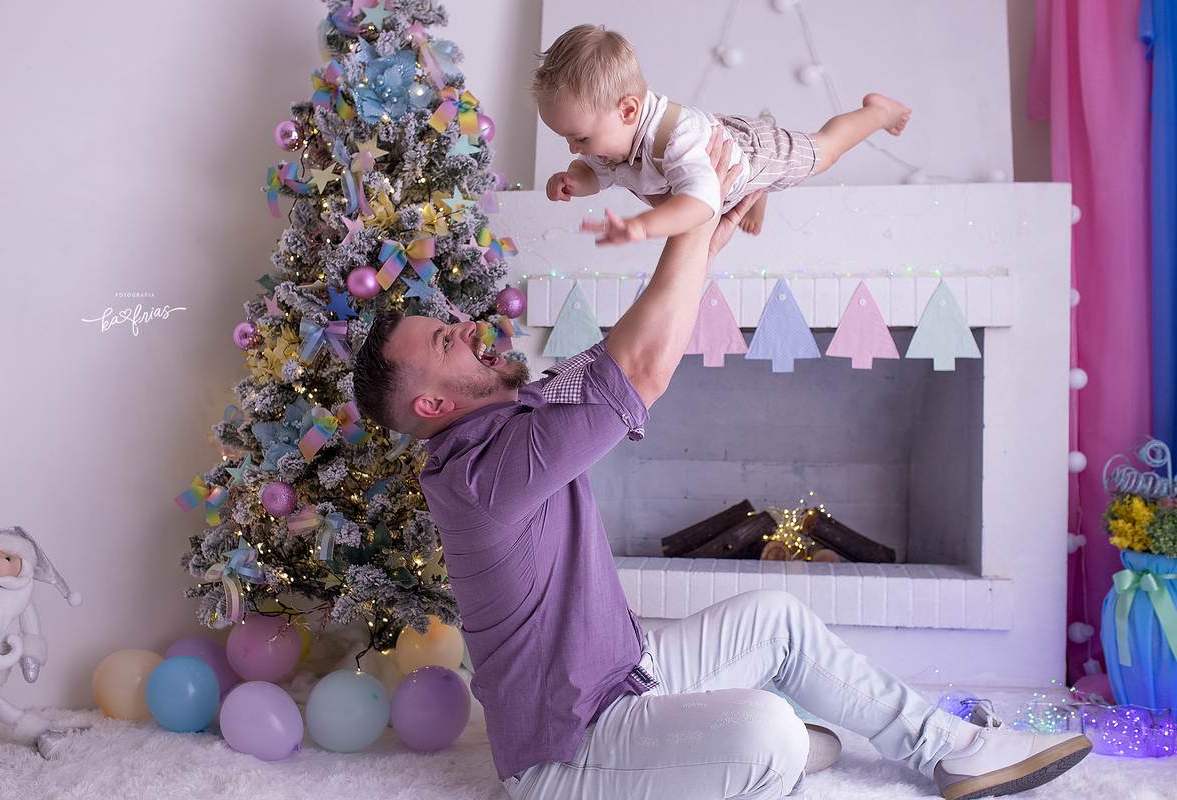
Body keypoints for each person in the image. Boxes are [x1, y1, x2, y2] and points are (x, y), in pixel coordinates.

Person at [353, 132, 1091, 799]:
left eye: (452, 324)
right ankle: (765, 750)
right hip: (570, 749)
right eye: (448, 343)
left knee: (778, 619)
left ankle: (954, 750)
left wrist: (711, 231)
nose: (471, 332)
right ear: (430, 407)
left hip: (628, 671)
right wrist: (696, 193)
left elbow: (630, 350)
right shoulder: (483, 474)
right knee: (768, 729)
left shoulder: (515, 416)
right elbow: (640, 371)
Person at [530, 24, 911, 245]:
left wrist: (640, 226)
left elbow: (699, 205)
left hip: (756, 153)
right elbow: (594, 171)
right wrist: (572, 180)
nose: (574, 148)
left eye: (579, 139)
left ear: (628, 110)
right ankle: (756, 196)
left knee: (824, 152)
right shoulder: (610, 138)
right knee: (718, 191)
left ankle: (878, 111)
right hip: (714, 160)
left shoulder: (679, 141)